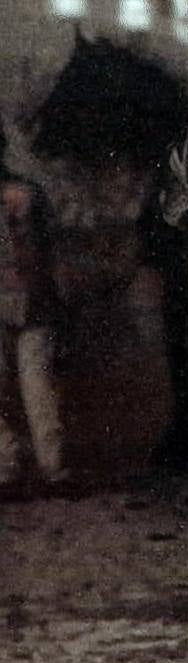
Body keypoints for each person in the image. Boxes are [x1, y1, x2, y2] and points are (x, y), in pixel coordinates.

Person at [0, 132, 67, 494]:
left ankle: (8, 467)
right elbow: (51, 247)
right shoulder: (29, 193)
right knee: (39, 385)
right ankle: (51, 469)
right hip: (35, 296)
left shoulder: (27, 194)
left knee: (37, 385)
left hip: (28, 297)